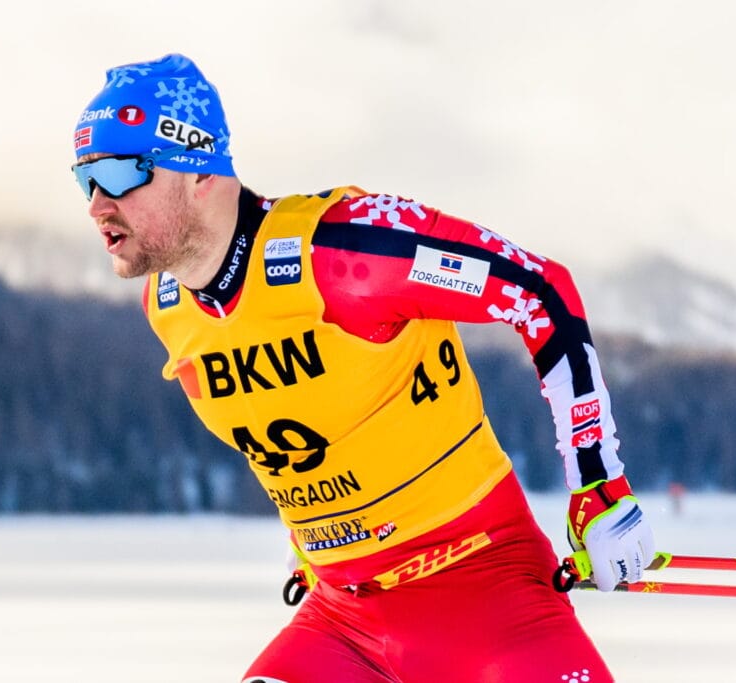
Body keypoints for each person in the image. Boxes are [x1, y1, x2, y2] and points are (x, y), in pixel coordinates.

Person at [70, 53, 655, 682]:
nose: (98, 203)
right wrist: (309, 541)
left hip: (486, 599)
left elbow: (540, 291)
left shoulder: (346, 248)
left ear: (198, 170)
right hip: (342, 623)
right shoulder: (167, 306)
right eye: (84, 180)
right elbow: (291, 425)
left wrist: (599, 488)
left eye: (120, 172)